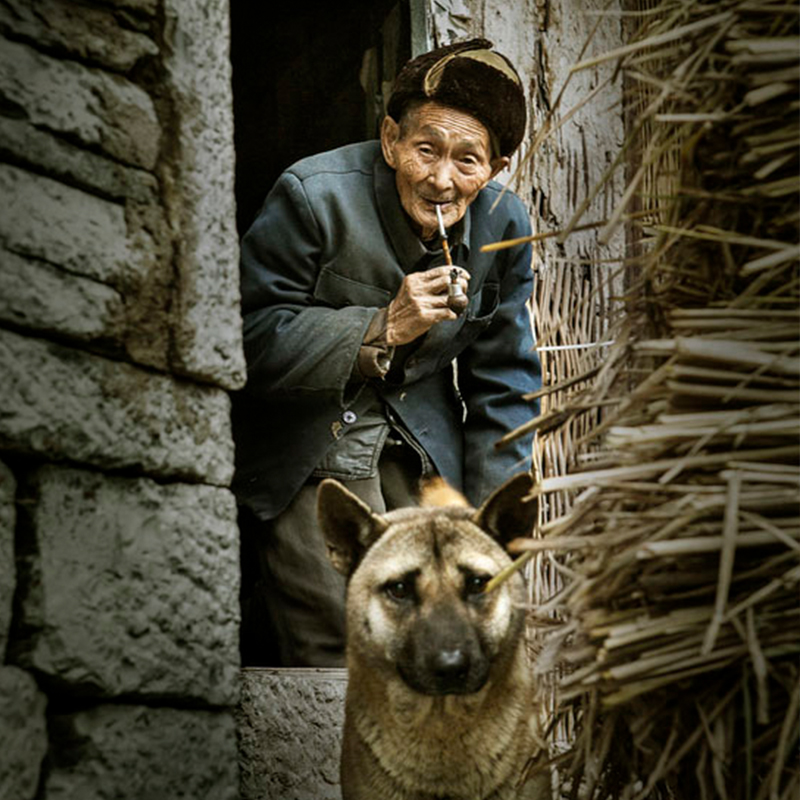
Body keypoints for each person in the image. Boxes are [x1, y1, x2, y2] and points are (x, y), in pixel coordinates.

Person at [233, 37, 541, 667]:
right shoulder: (312, 196)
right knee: (340, 655)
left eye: (468, 161)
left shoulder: (504, 228)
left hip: (425, 461)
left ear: (497, 168)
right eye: (425, 149)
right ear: (390, 138)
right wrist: (380, 327)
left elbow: (506, 384)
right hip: (309, 452)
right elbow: (245, 340)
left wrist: (491, 524)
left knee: (438, 646)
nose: (440, 178)